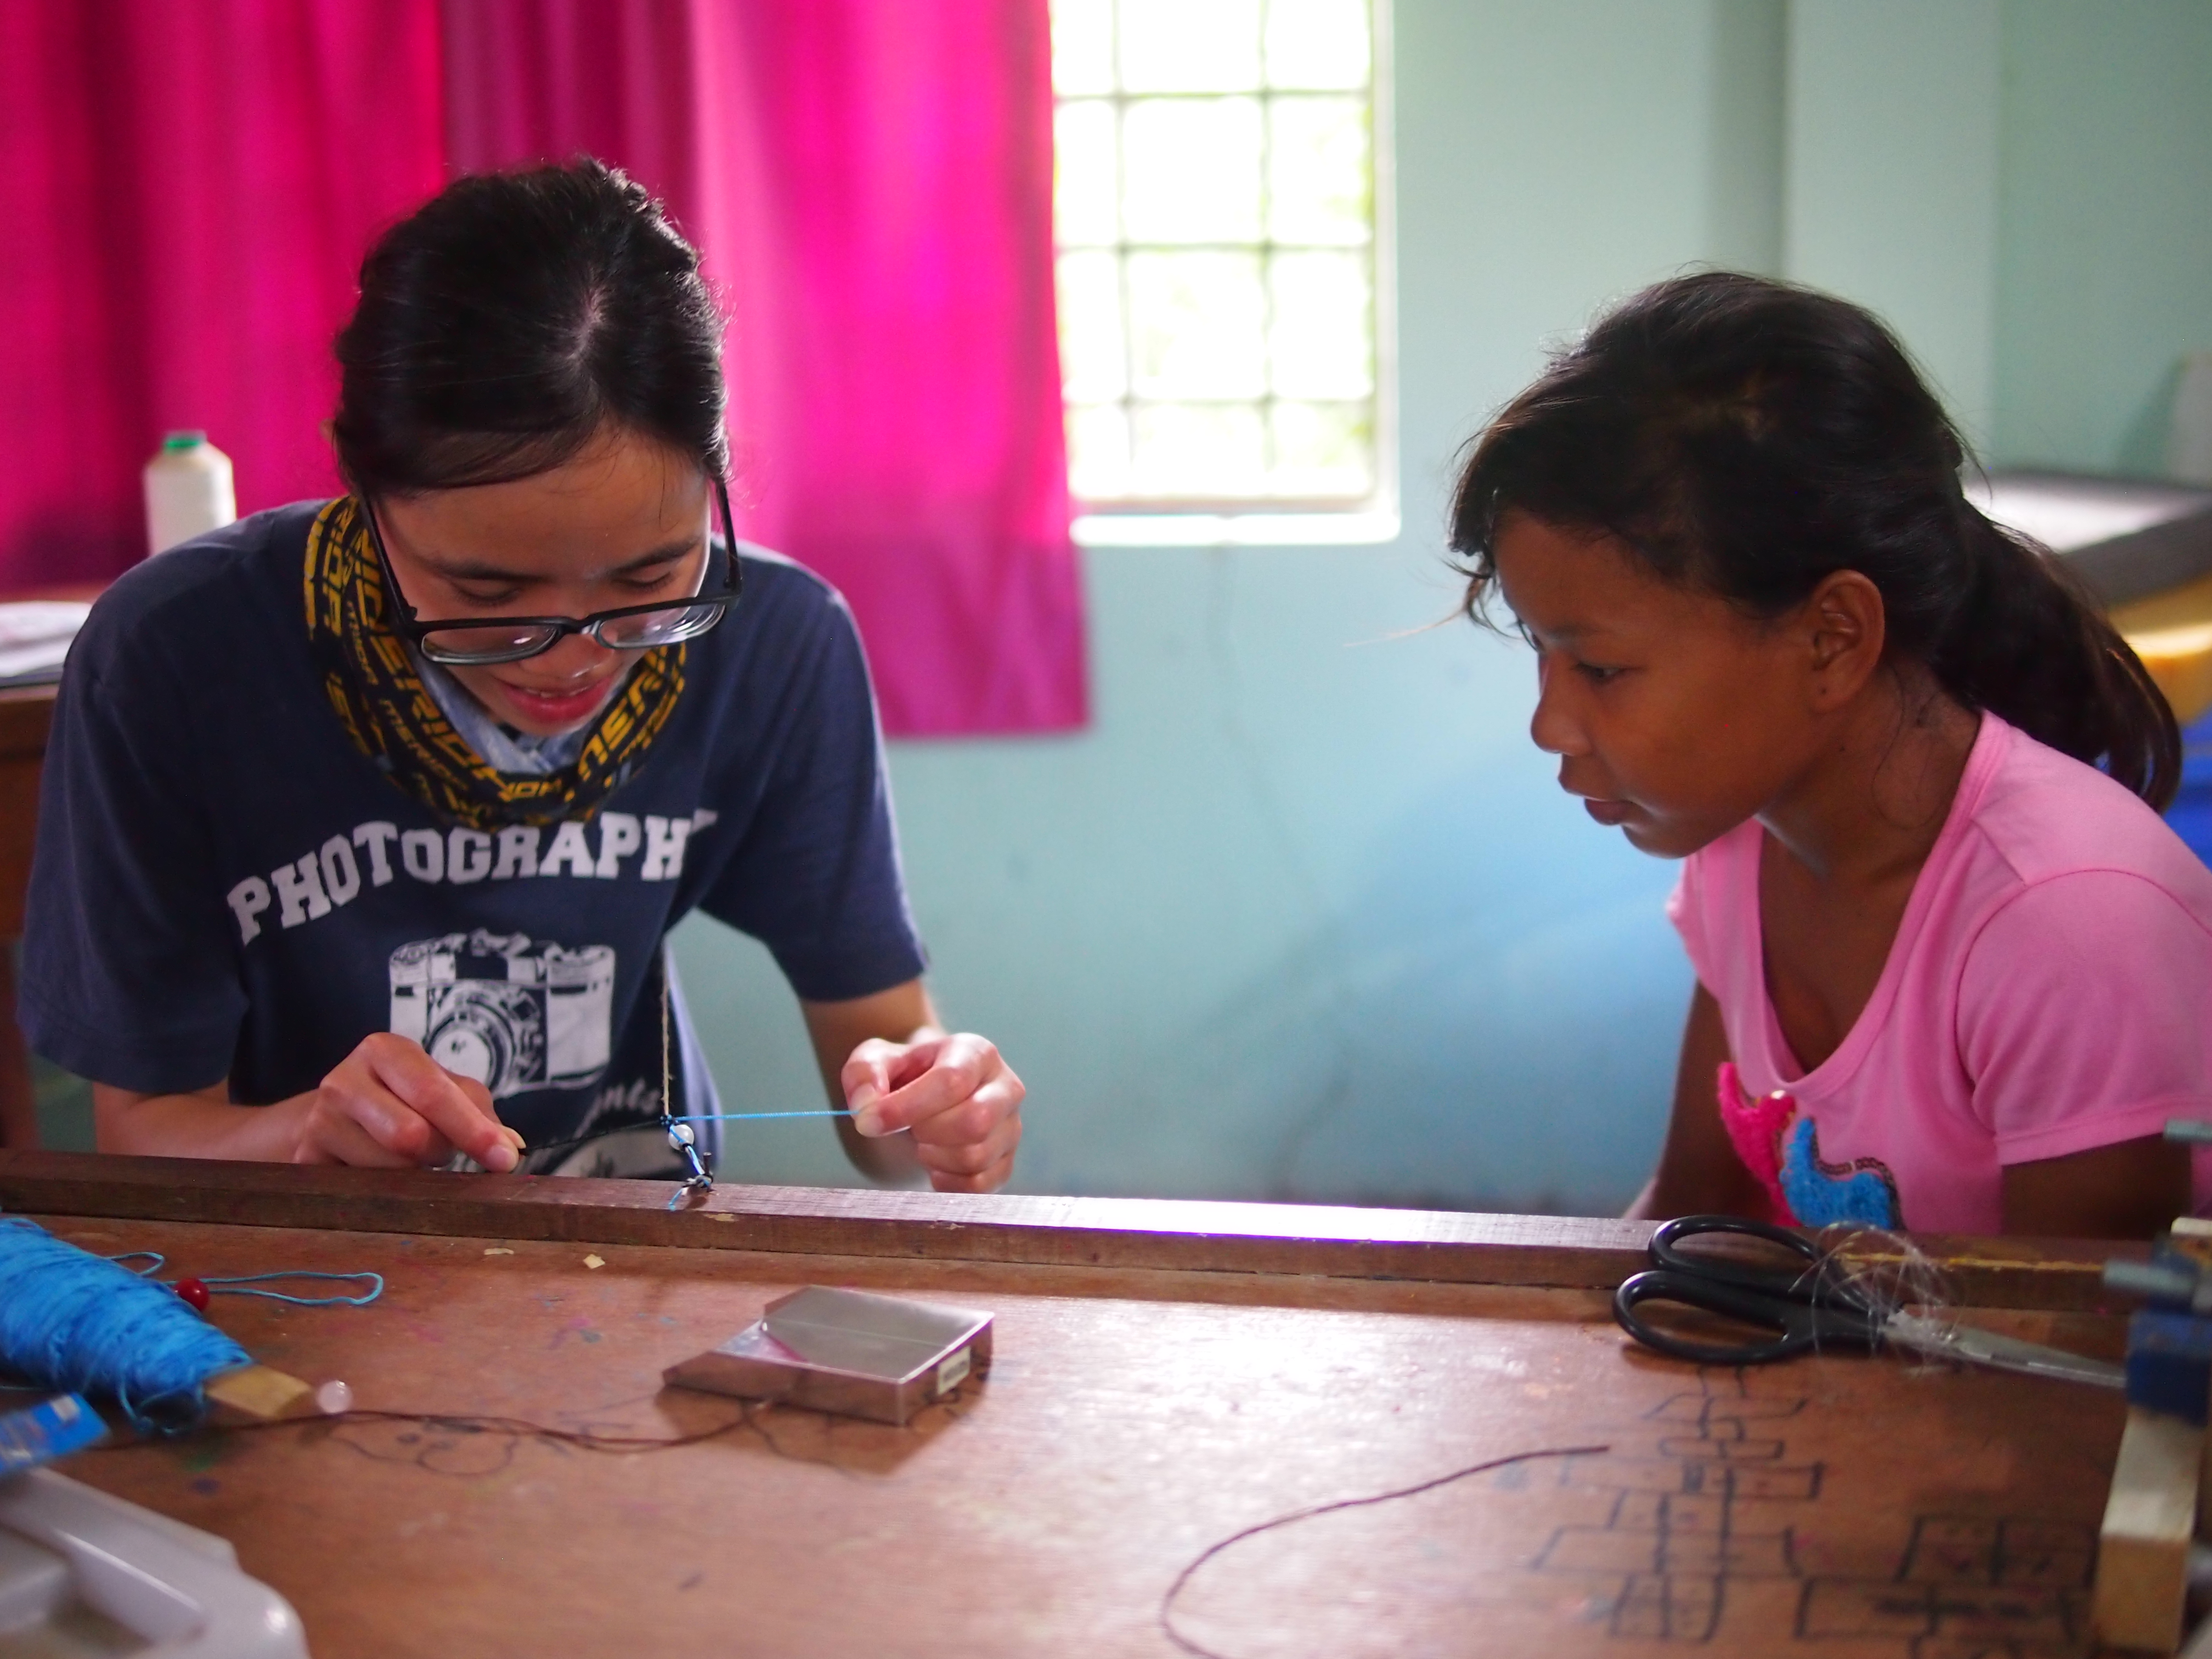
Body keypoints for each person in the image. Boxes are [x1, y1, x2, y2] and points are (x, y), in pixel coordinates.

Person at [21, 160, 1024, 1193]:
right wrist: (305, 1139)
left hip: (630, 1251)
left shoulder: (775, 641)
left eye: (648, 576)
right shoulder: (175, 659)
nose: (572, 659)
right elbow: (142, 1133)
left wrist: (934, 1105)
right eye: (487, 593)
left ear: (717, 486)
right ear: (363, 493)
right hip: (308, 1272)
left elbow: (880, 1103)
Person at [1451, 271, 2212, 1238]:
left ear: (1833, 640)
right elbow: (1691, 1222)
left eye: (1598, 667)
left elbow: (2063, 1370)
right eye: (1540, 650)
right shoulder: (1739, 851)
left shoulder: (2073, 926)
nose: (1547, 726)